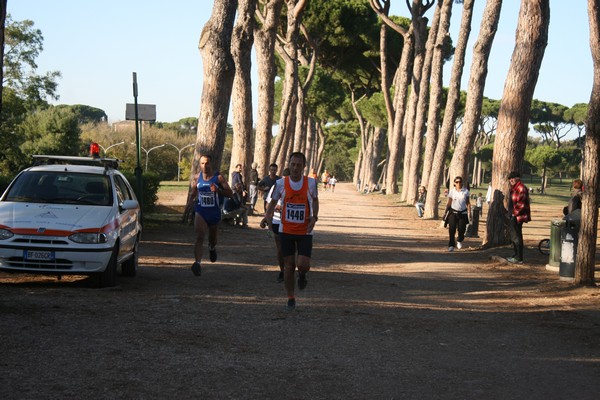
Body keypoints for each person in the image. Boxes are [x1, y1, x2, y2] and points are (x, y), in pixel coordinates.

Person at [261, 152, 319, 310]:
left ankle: (302, 275)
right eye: (292, 164)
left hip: (305, 231)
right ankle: (291, 297)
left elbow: (314, 200)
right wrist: (267, 216)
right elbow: (272, 202)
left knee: (303, 264)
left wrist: (314, 217)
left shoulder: (311, 183)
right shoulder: (281, 183)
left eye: (298, 165)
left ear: (303, 167)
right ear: (289, 165)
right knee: (288, 265)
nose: (295, 168)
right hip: (285, 229)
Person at [191, 154, 233, 276]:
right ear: (200, 164)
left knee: (212, 239)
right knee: (199, 236)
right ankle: (197, 263)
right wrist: (189, 204)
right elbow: (194, 192)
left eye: (207, 163)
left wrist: (219, 190)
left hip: (214, 213)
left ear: (211, 163)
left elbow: (230, 193)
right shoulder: (197, 177)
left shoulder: (218, 178)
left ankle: (212, 248)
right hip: (201, 211)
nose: (205, 166)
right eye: (202, 163)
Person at [265, 167, 290, 283]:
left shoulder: (297, 188)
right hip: (277, 220)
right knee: (280, 247)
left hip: (291, 222)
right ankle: (282, 271)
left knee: (290, 248)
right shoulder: (277, 186)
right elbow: (268, 205)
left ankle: (290, 268)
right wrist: (268, 218)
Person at [507, 171, 531, 264]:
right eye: (510, 178)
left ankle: (519, 257)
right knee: (514, 236)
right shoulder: (513, 188)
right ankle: (516, 254)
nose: (511, 180)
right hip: (513, 215)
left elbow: (522, 204)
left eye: (514, 178)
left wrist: (514, 214)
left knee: (517, 236)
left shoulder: (521, 188)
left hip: (518, 216)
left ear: (518, 178)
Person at [445, 176, 471, 252]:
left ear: (462, 183)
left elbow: (468, 203)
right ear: (454, 183)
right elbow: (449, 202)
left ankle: (459, 240)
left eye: (460, 182)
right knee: (452, 229)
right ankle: (451, 245)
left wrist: (469, 212)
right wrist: (446, 212)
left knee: (461, 229)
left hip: (463, 213)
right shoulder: (452, 192)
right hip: (453, 212)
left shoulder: (465, 191)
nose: (458, 183)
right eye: (457, 182)